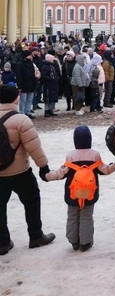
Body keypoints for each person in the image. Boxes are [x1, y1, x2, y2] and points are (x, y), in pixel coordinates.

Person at [0, 85, 55, 255]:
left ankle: (2, 243)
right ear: (14, 98)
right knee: (32, 201)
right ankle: (36, 236)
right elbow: (33, 147)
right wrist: (43, 167)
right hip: (20, 172)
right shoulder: (21, 120)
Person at [45, 126, 115, 251]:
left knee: (72, 215)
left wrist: (46, 176)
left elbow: (61, 173)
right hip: (89, 192)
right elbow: (105, 170)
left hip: (73, 192)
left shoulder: (70, 156)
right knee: (86, 216)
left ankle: (74, 241)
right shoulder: (95, 155)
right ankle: (85, 242)